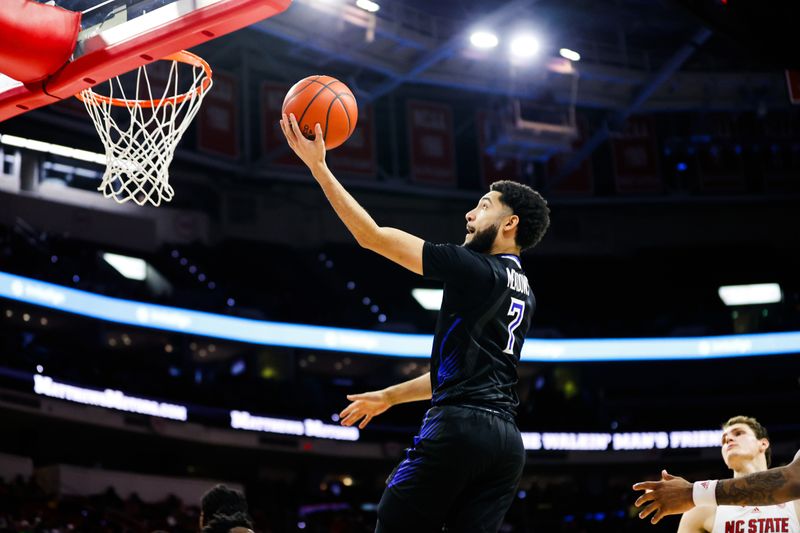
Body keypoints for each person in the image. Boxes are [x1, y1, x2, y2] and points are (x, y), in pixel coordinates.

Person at [280, 114, 551, 532]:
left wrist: (319, 167)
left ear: (510, 223)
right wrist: (388, 396)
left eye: (483, 207)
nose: (469, 214)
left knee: (393, 521)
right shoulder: (526, 291)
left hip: (459, 427)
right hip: (507, 445)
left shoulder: (476, 267)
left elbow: (371, 236)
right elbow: (461, 369)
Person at [633, 416, 800, 527]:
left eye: (738, 433)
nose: (728, 439)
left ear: (763, 444)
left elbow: (793, 478)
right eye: (724, 439)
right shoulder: (701, 509)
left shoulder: (796, 501)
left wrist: (691, 492)